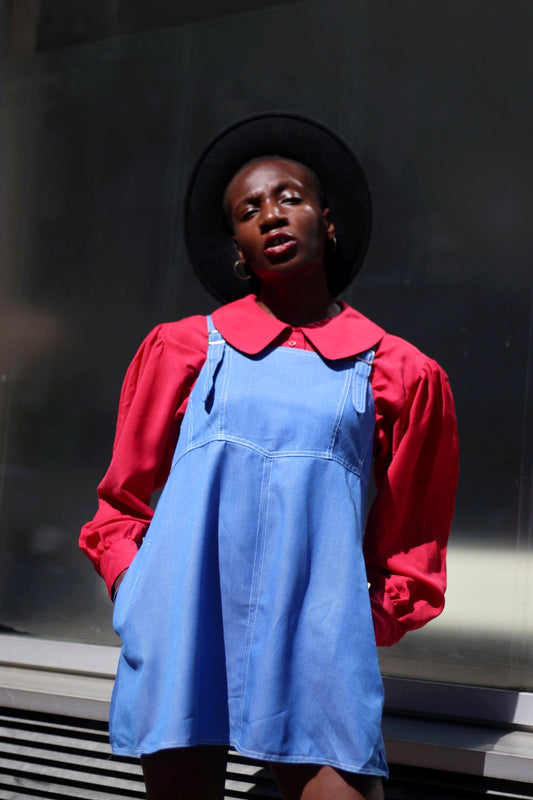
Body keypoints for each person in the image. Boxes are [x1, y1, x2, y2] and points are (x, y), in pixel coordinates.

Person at [80, 113, 459, 800]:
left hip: (317, 639)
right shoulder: (182, 350)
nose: (270, 215)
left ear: (327, 221)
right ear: (236, 248)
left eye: (288, 196)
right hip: (184, 625)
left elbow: (412, 541)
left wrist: (353, 621)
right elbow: (121, 505)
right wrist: (141, 595)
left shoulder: (401, 372)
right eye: (248, 210)